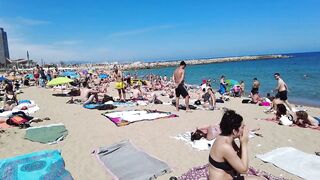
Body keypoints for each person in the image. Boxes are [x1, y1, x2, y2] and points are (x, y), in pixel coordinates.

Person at [209, 110, 264, 180]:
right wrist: (244, 143)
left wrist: (241, 143)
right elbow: (244, 170)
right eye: (242, 127)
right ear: (234, 131)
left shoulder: (223, 137)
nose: (244, 129)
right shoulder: (225, 147)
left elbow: (238, 158)